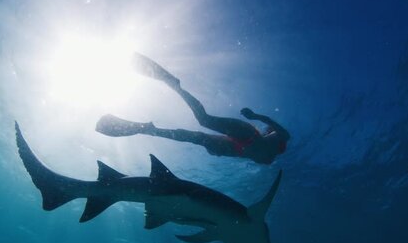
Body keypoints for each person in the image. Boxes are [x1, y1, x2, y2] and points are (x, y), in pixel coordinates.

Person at [95, 53, 290, 165]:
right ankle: (174, 85)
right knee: (204, 120)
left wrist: (215, 149)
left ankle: (149, 130)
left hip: (236, 146)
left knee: (196, 138)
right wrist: (254, 116)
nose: (270, 130)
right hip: (247, 133)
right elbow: (272, 124)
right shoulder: (282, 139)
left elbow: (245, 153)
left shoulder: (268, 160)